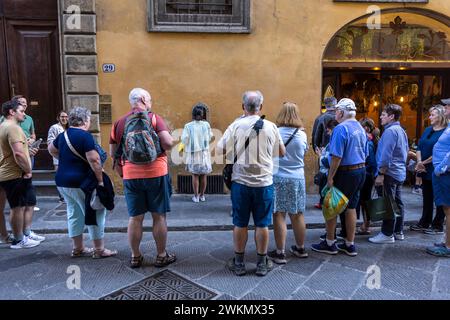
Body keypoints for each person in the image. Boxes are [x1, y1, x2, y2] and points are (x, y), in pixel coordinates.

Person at [217, 91, 285, 276]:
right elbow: (281, 151)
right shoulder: (271, 127)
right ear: (260, 107)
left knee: (240, 223)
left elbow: (220, 149)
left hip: (240, 183)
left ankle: (239, 263)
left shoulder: (235, 125)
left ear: (243, 107)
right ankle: (262, 263)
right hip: (264, 182)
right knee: (262, 224)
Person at [110, 88, 176, 268]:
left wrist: (124, 174)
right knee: (159, 216)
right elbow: (168, 144)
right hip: (156, 173)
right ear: (142, 100)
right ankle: (161, 255)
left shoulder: (119, 123)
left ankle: (135, 256)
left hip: (131, 175)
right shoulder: (154, 118)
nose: (151, 103)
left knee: (135, 217)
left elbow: (114, 154)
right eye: (150, 99)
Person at [48, 107, 116, 258]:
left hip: (62, 181)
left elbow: (51, 149)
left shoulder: (62, 135)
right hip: (81, 182)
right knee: (95, 211)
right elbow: (94, 160)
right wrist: (100, 181)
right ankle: (99, 249)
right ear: (85, 121)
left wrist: (66, 161)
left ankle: (78, 248)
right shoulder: (85, 136)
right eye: (89, 119)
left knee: (74, 213)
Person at [311, 98, 367, 256]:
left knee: (331, 205)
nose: (335, 113)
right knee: (351, 207)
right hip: (360, 170)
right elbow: (365, 153)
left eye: (336, 111)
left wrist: (330, 177)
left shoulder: (341, 129)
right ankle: (350, 244)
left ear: (341, 112)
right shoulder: (360, 128)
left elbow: (336, 157)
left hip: (345, 172)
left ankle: (330, 242)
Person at [268, 102, 308, 264]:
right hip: (297, 178)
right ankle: (300, 248)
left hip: (278, 177)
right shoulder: (302, 134)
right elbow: (303, 153)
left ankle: (280, 252)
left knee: (279, 214)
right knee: (297, 214)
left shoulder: (275, 132)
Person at [0, 100, 43, 249]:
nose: (24, 113)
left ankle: (21, 236)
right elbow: (18, 153)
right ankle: (19, 240)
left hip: (7, 172)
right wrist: (28, 170)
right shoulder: (13, 128)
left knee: (23, 204)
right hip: (15, 173)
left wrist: (28, 151)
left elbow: (14, 151)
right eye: (21, 110)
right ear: (12, 112)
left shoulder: (3, 126)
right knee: (17, 207)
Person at [369, 104, 409, 244]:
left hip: (389, 174)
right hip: (398, 172)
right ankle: (398, 231)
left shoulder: (390, 131)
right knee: (397, 202)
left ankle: (387, 233)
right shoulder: (400, 130)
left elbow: (386, 156)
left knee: (388, 203)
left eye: (384, 114)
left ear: (391, 116)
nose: (380, 117)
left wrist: (381, 174)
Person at [410, 106, 447, 235]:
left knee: (439, 198)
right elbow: (419, 146)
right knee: (427, 197)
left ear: (441, 116)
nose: (429, 117)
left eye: (433, 115)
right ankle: (424, 222)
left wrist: (423, 163)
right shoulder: (427, 129)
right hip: (424, 168)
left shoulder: (445, 132)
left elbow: (440, 151)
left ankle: (437, 225)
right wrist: (419, 162)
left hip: (437, 167)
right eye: (430, 114)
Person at [426, 98, 450, 257]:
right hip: (442, 172)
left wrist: (440, 168)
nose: (445, 107)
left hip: (445, 173)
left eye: (448, 105)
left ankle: (448, 246)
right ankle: (447, 241)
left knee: (449, 210)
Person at [181, 103, 212, 203]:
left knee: (195, 175)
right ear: (202, 115)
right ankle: (202, 195)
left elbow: (185, 139)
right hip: (204, 153)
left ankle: (196, 197)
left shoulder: (188, 126)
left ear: (193, 115)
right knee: (203, 175)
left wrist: (183, 146)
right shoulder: (206, 125)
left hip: (193, 153)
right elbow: (210, 136)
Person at [312, 97, 337, 209]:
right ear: (335, 104)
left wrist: (316, 149)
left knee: (323, 175)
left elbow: (315, 135)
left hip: (323, 150)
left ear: (325, 105)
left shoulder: (320, 118)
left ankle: (323, 200)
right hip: (336, 151)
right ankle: (333, 199)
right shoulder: (339, 117)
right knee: (334, 174)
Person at [355, 117, 379, 235]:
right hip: (368, 175)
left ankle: (366, 225)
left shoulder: (368, 142)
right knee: (365, 201)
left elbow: (372, 162)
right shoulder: (370, 140)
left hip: (366, 175)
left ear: (366, 128)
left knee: (365, 201)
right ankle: (365, 224)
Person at [47, 111, 69, 202]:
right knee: (60, 176)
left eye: (66, 117)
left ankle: (68, 195)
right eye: (62, 117)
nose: (64, 118)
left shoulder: (70, 128)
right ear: (58, 118)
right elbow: (50, 141)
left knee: (68, 176)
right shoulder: (54, 128)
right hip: (58, 156)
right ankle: (62, 197)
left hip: (69, 156)